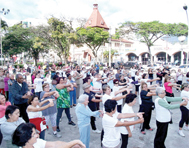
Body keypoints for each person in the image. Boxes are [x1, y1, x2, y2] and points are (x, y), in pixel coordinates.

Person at [12, 123, 86, 148]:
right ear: (26, 138)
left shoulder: (36, 142)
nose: (37, 135)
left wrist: (70, 146)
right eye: (34, 134)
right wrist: (75, 142)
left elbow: (55, 144)